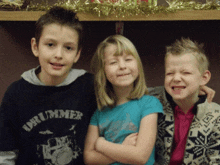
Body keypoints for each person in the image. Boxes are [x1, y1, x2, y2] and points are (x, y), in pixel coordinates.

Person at [0, 7, 97, 165]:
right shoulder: (16, 93)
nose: (58, 54)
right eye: (50, 44)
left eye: (68, 48)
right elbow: (5, 153)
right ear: (35, 46)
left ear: (77, 54)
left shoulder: (90, 86)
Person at [83, 34, 163, 165]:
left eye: (128, 59)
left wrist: (101, 144)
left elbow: (140, 157)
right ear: (103, 72)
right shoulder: (99, 113)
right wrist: (124, 147)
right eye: (113, 62)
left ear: (137, 64)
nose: (122, 66)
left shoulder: (149, 104)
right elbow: (89, 158)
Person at [151, 38, 220, 165]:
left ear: (204, 77)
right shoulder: (153, 103)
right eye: (170, 73)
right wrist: (193, 86)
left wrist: (195, 86)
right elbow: (135, 90)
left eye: (186, 73)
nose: (176, 78)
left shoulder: (216, 116)